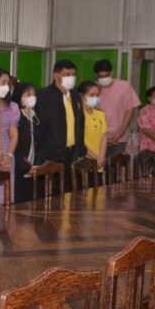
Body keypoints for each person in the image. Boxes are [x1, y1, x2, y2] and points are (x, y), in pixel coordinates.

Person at [36, 60, 85, 191]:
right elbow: (39, 128)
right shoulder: (44, 96)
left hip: (72, 154)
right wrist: (42, 154)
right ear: (56, 76)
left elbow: (81, 123)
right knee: (51, 193)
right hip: (51, 155)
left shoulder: (75, 95)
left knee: (69, 192)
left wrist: (80, 150)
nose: (71, 77)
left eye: (73, 74)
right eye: (67, 74)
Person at [94, 59, 140, 157]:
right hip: (97, 138)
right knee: (97, 165)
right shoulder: (93, 89)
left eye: (106, 75)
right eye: (100, 76)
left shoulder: (124, 86)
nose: (104, 78)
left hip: (119, 138)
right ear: (95, 75)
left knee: (116, 164)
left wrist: (120, 134)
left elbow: (130, 110)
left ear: (112, 72)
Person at [0, 68, 19, 197]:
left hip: (8, 155)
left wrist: (8, 155)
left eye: (8, 83)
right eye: (3, 83)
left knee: (6, 197)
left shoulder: (12, 107)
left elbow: (14, 134)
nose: (6, 86)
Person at [13, 83, 42, 204]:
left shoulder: (36, 117)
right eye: (28, 94)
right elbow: (14, 147)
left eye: (34, 94)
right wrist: (26, 167)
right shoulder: (16, 117)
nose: (32, 97)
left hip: (35, 170)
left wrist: (38, 165)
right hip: (19, 170)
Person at [78, 80, 109, 168]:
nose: (95, 98)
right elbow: (79, 141)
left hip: (100, 161)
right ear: (81, 96)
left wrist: (101, 157)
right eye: (91, 95)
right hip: (84, 161)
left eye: (97, 95)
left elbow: (104, 136)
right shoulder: (77, 114)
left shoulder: (100, 114)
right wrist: (95, 158)